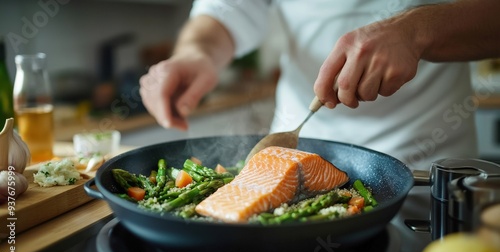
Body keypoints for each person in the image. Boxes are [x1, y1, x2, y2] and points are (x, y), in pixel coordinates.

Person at [139, 0, 500, 170]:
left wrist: (418, 30)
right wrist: (197, 53)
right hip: (294, 157)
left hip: (429, 165)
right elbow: (225, 10)